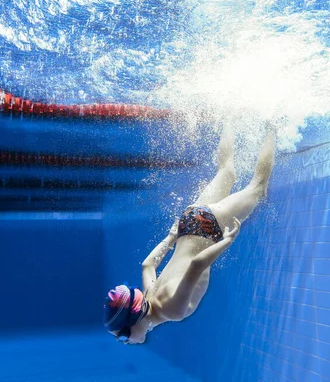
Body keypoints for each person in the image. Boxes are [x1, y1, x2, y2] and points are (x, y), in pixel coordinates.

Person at [104, 124, 276, 344]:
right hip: (189, 222)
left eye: (122, 337)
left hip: (209, 228)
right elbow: (147, 265)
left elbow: (196, 265)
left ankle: (273, 124)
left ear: (133, 323)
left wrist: (226, 241)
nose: (125, 342)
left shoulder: (171, 311)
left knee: (258, 188)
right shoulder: (149, 295)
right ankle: (230, 117)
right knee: (226, 171)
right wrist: (170, 237)